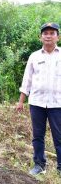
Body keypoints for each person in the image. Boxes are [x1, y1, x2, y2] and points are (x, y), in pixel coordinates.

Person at [16, 22, 61, 176]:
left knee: (59, 136)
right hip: (37, 103)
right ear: (41, 37)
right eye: (45, 33)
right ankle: (39, 165)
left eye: (52, 33)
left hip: (58, 103)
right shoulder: (34, 56)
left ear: (58, 37)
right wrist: (21, 101)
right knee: (38, 136)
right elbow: (26, 79)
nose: (48, 36)